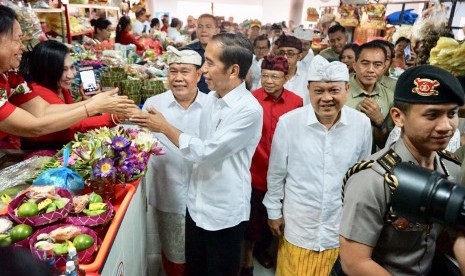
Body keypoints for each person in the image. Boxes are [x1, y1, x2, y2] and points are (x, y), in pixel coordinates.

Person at [130, 32, 263, 275]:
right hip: (197, 204)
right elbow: (199, 141)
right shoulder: (213, 99)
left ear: (233, 71)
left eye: (210, 63)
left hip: (224, 212)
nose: (204, 69)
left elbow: (206, 151)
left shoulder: (248, 110)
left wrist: (164, 127)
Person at [339, 65, 465, 275]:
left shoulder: (451, 169)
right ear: (398, 117)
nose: (446, 126)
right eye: (432, 115)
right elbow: (354, 263)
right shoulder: (373, 179)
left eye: (451, 114)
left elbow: (449, 235)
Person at [264, 55, 372, 276]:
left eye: (334, 90)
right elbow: (276, 173)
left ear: (347, 89)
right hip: (299, 222)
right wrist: (274, 211)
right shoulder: (289, 123)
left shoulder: (361, 124)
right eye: (319, 91)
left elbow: (361, 176)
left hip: (339, 224)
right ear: (308, 90)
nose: (326, 98)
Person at [0, 5, 133, 148]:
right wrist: (94, 108)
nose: (23, 47)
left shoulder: (10, 75)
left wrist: (95, 102)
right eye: (17, 39)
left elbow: (44, 110)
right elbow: (34, 126)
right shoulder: (36, 86)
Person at [141, 46, 207, 276]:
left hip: (205, 197)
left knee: (202, 257)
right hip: (168, 194)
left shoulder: (212, 106)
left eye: (185, 71)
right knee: (173, 256)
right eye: (172, 71)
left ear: (199, 75)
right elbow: (141, 144)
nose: (178, 78)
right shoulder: (154, 104)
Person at [241, 56, 303, 275]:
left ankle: (267, 252)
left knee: (276, 217)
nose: (268, 81)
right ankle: (247, 260)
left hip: (285, 172)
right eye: (265, 75)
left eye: (274, 77)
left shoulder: (297, 102)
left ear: (285, 78)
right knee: (252, 219)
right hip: (255, 169)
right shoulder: (251, 99)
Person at [18, 40, 126, 150]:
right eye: (63, 70)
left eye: (72, 67)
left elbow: (74, 116)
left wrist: (89, 101)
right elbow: (73, 125)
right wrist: (113, 117)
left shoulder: (60, 88)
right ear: (47, 71)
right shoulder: (38, 91)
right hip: (44, 152)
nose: (71, 75)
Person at [345, 42, 393, 149]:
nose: (370, 70)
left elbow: (385, 144)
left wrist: (380, 122)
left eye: (377, 65)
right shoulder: (340, 91)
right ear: (355, 65)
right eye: (365, 63)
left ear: (384, 67)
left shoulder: (390, 98)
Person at [186, 13, 220, 93]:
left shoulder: (225, 51)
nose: (204, 30)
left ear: (217, 30)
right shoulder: (187, 51)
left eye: (208, 27)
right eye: (200, 27)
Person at [275, 34, 309, 105]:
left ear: (299, 56)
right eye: (281, 53)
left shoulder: (308, 79)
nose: (285, 57)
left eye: (290, 53)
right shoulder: (268, 78)